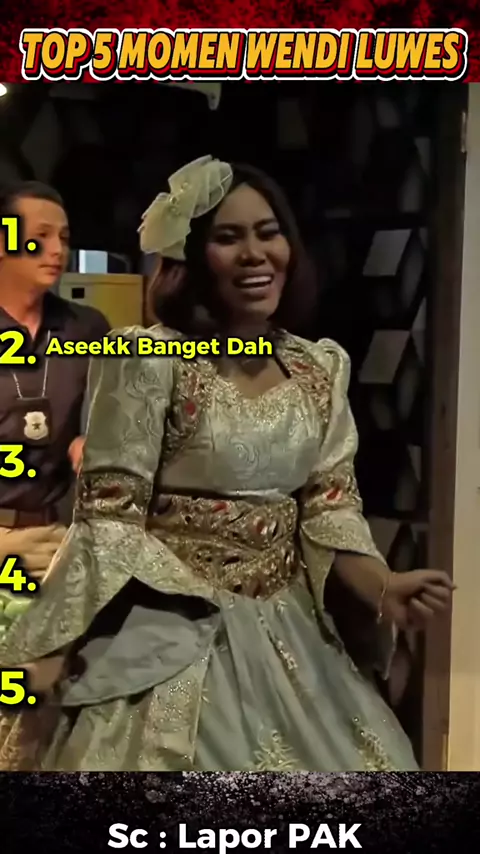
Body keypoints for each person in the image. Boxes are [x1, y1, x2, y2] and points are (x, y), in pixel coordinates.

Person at [0, 156, 453, 771]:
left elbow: (330, 506)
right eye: (228, 237)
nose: (254, 254)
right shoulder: (147, 360)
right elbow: (109, 519)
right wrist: (54, 644)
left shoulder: (319, 368)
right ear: (191, 257)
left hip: (292, 634)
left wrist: (383, 585)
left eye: (268, 232)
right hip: (171, 628)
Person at [0, 181, 109, 626]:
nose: (57, 250)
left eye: (63, 237)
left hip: (55, 538)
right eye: (40, 236)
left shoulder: (86, 327)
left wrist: (92, 440)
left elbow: (112, 418)